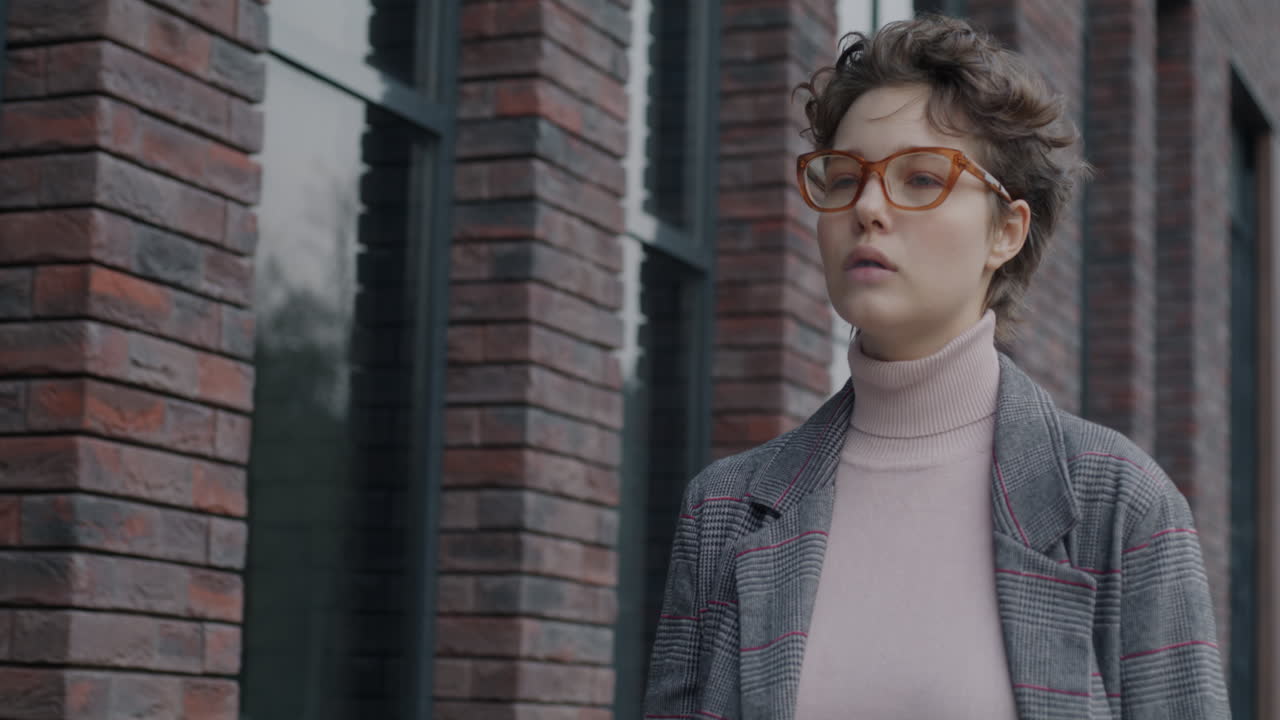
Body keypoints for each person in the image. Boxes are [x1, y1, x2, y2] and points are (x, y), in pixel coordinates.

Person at [642, 13, 1230, 720]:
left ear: (1006, 231)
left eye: (920, 178)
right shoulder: (722, 513)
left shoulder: (1121, 505)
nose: (866, 208)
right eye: (843, 176)